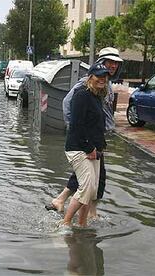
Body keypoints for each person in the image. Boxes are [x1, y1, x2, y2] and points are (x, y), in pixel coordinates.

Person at [46, 47, 123, 218]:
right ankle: (80, 216)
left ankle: (68, 205)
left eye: (116, 63)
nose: (113, 66)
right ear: (100, 63)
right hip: (86, 140)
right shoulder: (87, 85)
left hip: (96, 138)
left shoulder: (105, 84)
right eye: (109, 62)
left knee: (90, 178)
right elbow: (68, 103)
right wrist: (75, 130)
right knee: (93, 180)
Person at [62, 62, 109, 227]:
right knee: (87, 187)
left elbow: (95, 125)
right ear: (90, 77)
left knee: (93, 190)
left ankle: (82, 225)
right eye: (98, 76)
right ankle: (65, 223)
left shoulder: (97, 96)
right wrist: (89, 148)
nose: (102, 79)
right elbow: (76, 125)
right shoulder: (82, 95)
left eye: (105, 76)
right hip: (78, 148)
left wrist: (99, 147)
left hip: (93, 149)